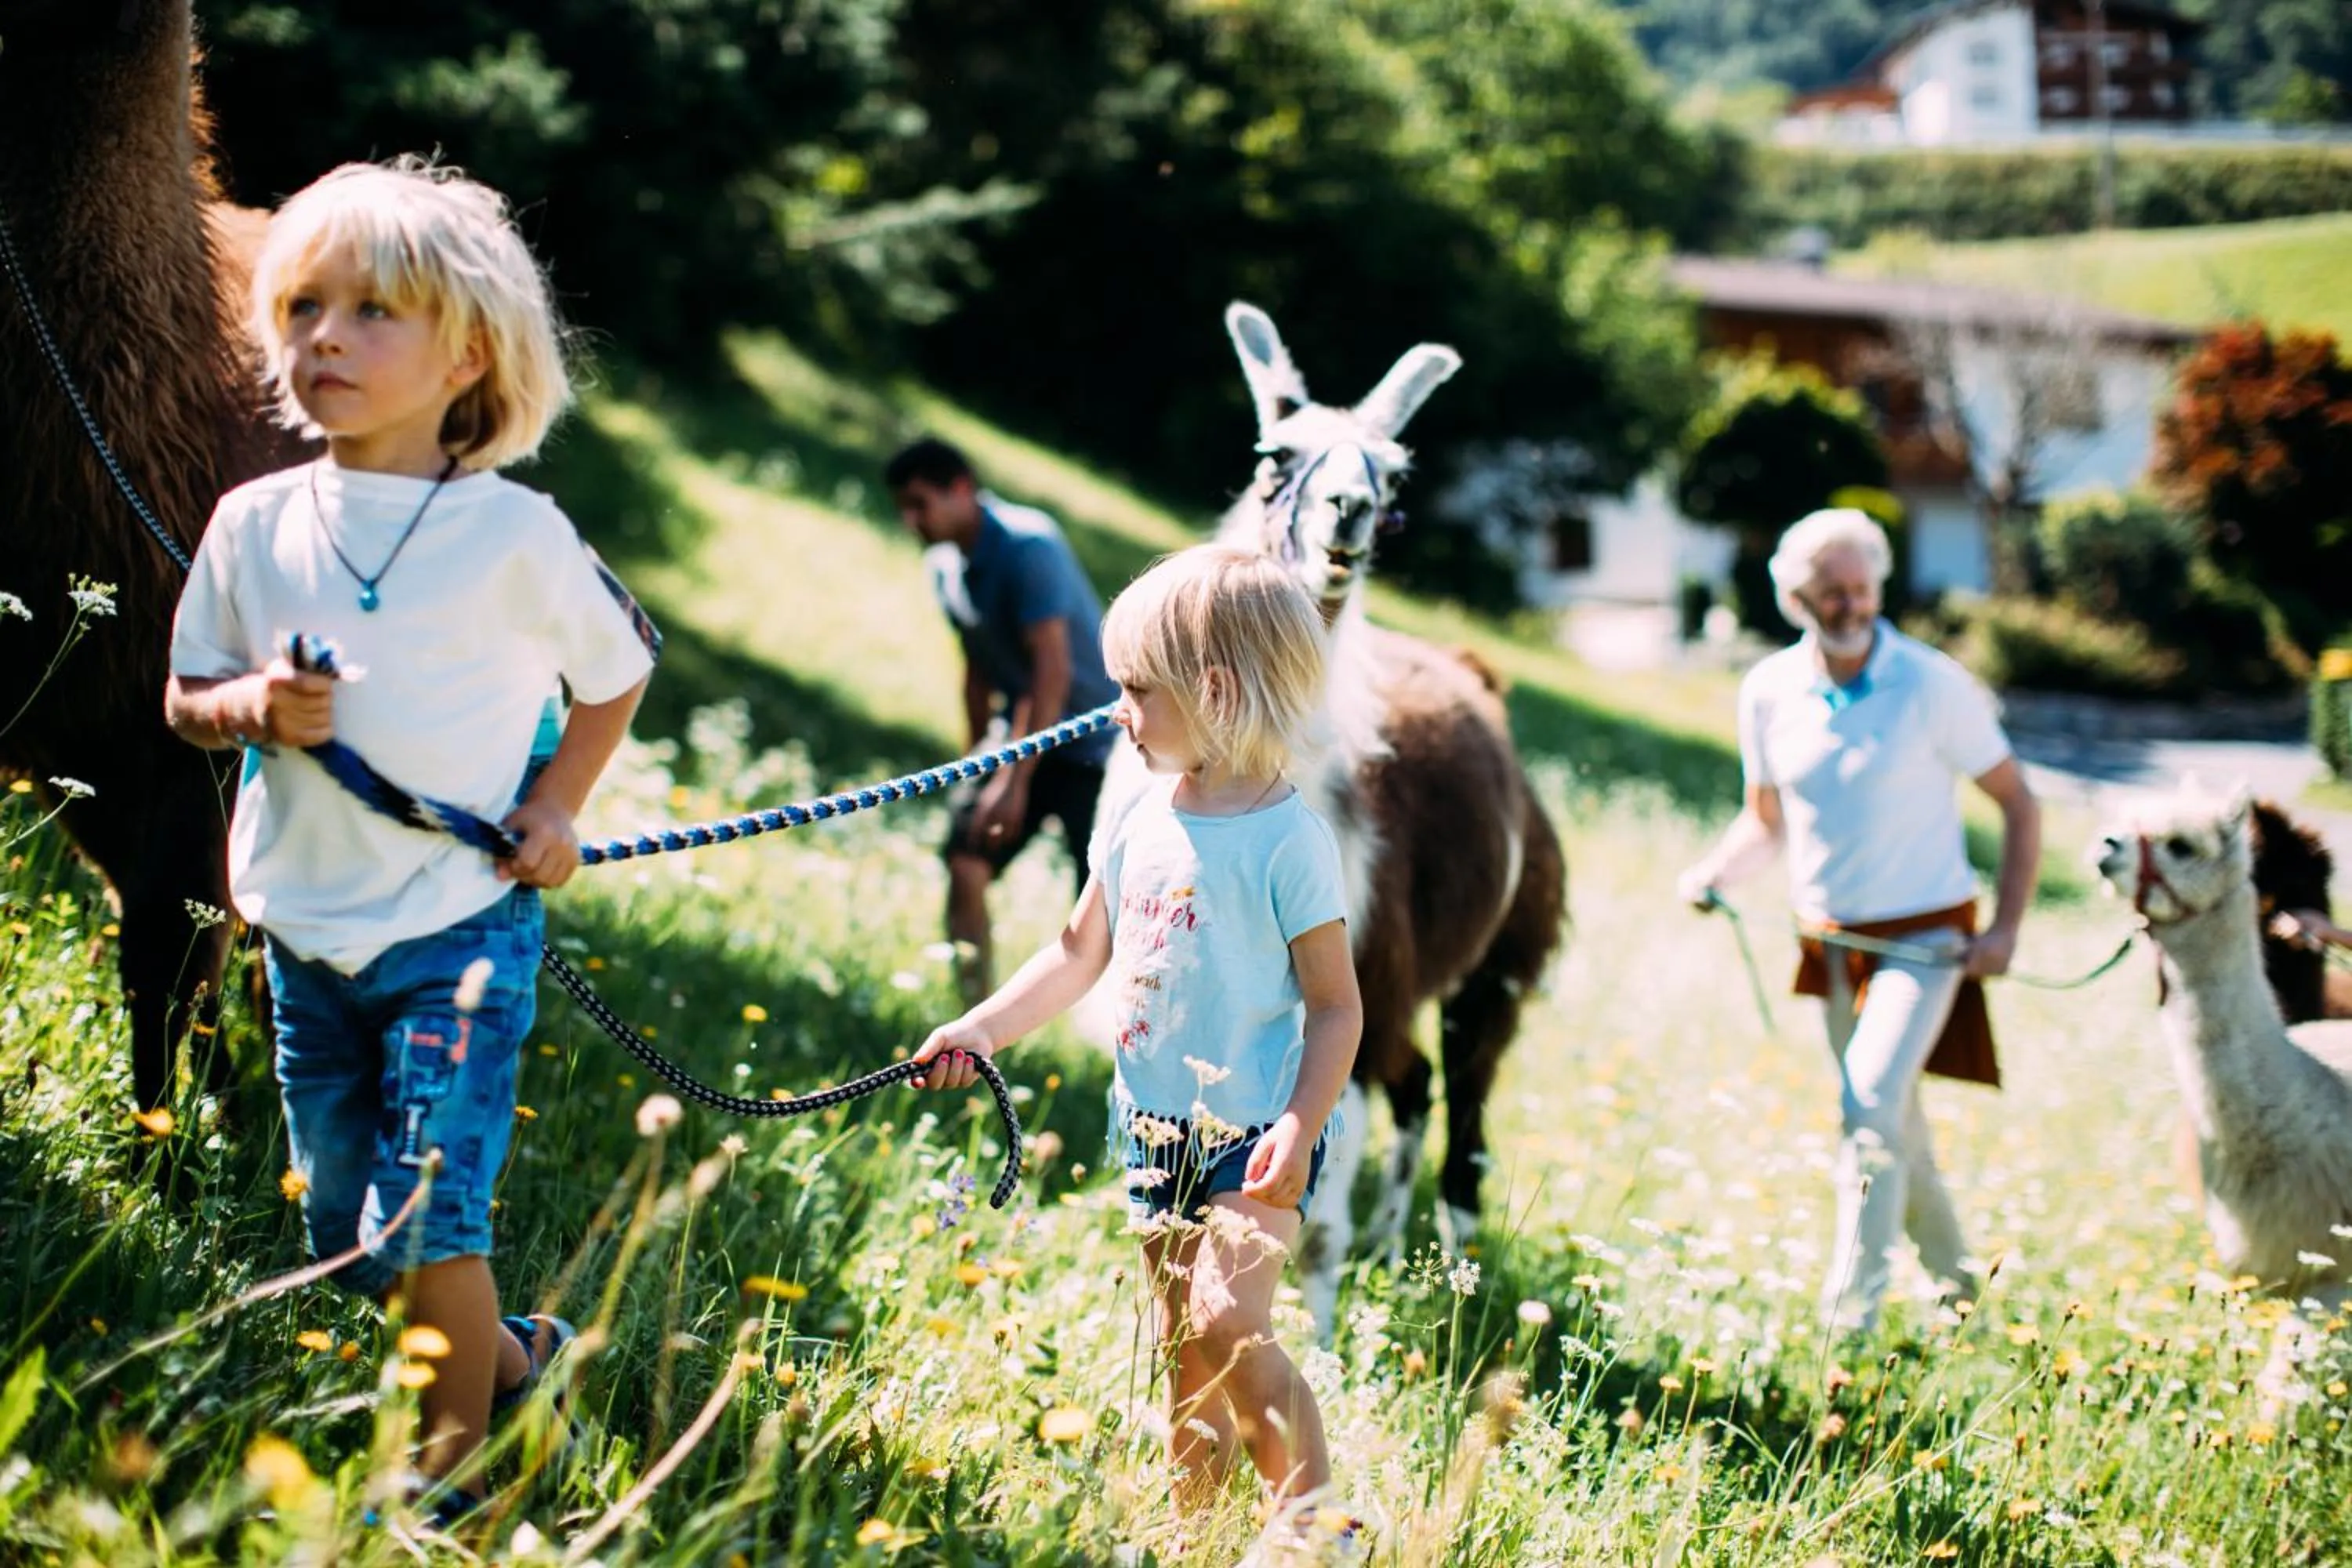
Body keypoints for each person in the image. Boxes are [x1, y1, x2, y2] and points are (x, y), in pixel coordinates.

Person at [164, 158, 656, 1519]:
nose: (326, 337)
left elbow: (616, 670)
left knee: (428, 1217)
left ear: (471, 356)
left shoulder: (516, 537)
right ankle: (517, 1364)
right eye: (304, 306)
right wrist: (250, 705)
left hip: (458, 928)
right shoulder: (253, 523)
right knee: (346, 1231)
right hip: (305, 931)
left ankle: (436, 1494)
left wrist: (557, 805)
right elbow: (183, 696)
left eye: (373, 312)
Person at [906, 545, 1363, 1540]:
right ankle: (1193, 1529)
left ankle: (1313, 1526)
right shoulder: (1140, 815)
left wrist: (1301, 1119)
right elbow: (1077, 954)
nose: (1118, 708)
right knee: (1182, 1342)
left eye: (1135, 688)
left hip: (1257, 1130)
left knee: (1229, 1321)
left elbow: (1337, 1007)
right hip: (1156, 1123)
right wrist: (979, 1030)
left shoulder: (1289, 841)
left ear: (1214, 689)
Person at [1678, 508, 2041, 1338]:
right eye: (1829, 591)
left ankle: (1849, 1321)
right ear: (1795, 598)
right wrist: (1713, 874)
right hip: (1833, 945)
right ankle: (1965, 1296)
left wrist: (2008, 929)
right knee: (1895, 1122)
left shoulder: (1932, 682)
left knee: (1870, 1103)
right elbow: (1763, 822)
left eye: (1862, 588)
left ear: (1880, 587)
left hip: (1928, 939)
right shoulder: (1767, 690)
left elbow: (2020, 805)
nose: (1849, 605)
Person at [886, 438, 1120, 1004]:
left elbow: (1052, 672)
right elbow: (978, 667)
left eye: (921, 504)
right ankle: (974, 1024)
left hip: (1093, 744)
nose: (910, 520)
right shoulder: (944, 566)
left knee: (1105, 904)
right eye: (903, 507)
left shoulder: (1028, 545)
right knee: (966, 860)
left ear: (961, 489)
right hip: (1021, 735)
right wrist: (974, 764)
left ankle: (1118, 1033)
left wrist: (1014, 783)